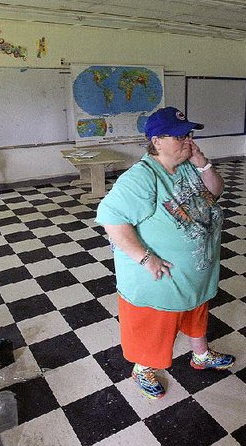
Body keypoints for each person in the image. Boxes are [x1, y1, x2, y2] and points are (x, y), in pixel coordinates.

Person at [96, 107, 234, 399]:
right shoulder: (142, 177)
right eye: (179, 135)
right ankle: (143, 368)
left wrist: (203, 163)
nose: (188, 140)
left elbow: (215, 192)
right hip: (161, 277)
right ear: (156, 140)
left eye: (189, 134)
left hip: (195, 271)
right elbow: (110, 218)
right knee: (155, 325)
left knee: (196, 309)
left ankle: (201, 354)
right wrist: (145, 258)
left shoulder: (186, 166)